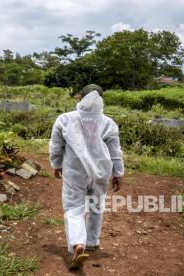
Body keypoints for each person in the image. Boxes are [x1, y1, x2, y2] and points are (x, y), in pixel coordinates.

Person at [49, 84, 124, 269]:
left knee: (74, 207)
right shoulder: (108, 123)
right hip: (101, 171)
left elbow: (56, 145)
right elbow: (115, 152)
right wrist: (118, 173)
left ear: (79, 99)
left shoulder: (65, 119)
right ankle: (92, 241)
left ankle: (78, 244)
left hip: (75, 171)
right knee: (96, 206)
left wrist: (56, 164)